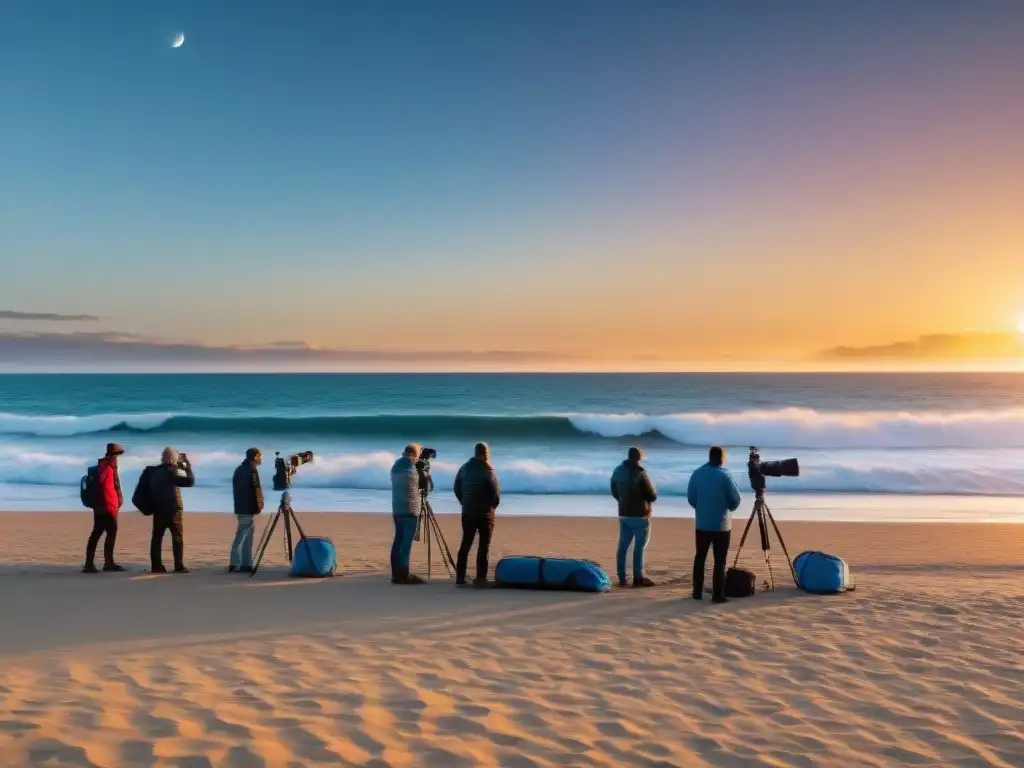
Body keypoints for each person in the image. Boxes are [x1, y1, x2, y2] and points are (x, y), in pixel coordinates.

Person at [687, 445, 742, 603]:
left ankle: (697, 592)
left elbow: (691, 498)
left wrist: (702, 508)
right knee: (720, 560)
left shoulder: (697, 474)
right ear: (721, 458)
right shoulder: (725, 475)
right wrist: (728, 508)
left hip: (702, 524)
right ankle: (717, 595)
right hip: (721, 525)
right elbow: (735, 500)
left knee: (700, 557)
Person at [610, 446, 658, 587]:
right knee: (639, 546)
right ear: (639, 458)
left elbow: (613, 490)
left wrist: (622, 500)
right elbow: (651, 495)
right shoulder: (641, 473)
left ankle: (622, 578)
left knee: (623, 545)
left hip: (624, 513)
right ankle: (638, 577)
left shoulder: (618, 470)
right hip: (640, 515)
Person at [454, 442, 500, 587]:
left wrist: (464, 502)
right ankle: (480, 578)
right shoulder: (488, 470)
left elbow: (456, 487)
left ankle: (460, 578)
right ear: (485, 454)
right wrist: (492, 507)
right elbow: (495, 495)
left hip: (467, 512)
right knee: (483, 546)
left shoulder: (464, 468)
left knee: (465, 544)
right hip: (484, 514)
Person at [149, 447, 195, 573]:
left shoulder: (156, 472)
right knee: (177, 538)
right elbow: (190, 481)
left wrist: (179, 465)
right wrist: (187, 465)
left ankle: (156, 565)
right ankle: (178, 565)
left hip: (158, 509)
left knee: (157, 538)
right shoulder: (171, 472)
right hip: (173, 510)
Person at [83, 443, 126, 573]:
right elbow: (115, 487)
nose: (118, 458)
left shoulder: (99, 467)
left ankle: (89, 564)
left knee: (96, 533)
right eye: (117, 455)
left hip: (98, 505)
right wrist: (119, 501)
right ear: (113, 455)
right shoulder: (111, 467)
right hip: (109, 506)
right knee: (111, 533)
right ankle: (108, 563)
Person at [390, 443, 425, 585]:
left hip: (397, 509)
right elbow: (424, 485)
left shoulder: (396, 466)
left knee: (398, 540)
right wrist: (423, 471)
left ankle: (396, 573)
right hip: (410, 510)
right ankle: (404, 574)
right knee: (406, 543)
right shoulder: (412, 468)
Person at [230, 447, 264, 573]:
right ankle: (236, 563)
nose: (260, 459)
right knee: (243, 535)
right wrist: (259, 506)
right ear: (255, 457)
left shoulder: (239, 469)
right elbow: (256, 489)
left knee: (246, 535)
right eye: (260, 457)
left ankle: (246, 563)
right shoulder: (252, 470)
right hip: (247, 507)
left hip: (240, 506)